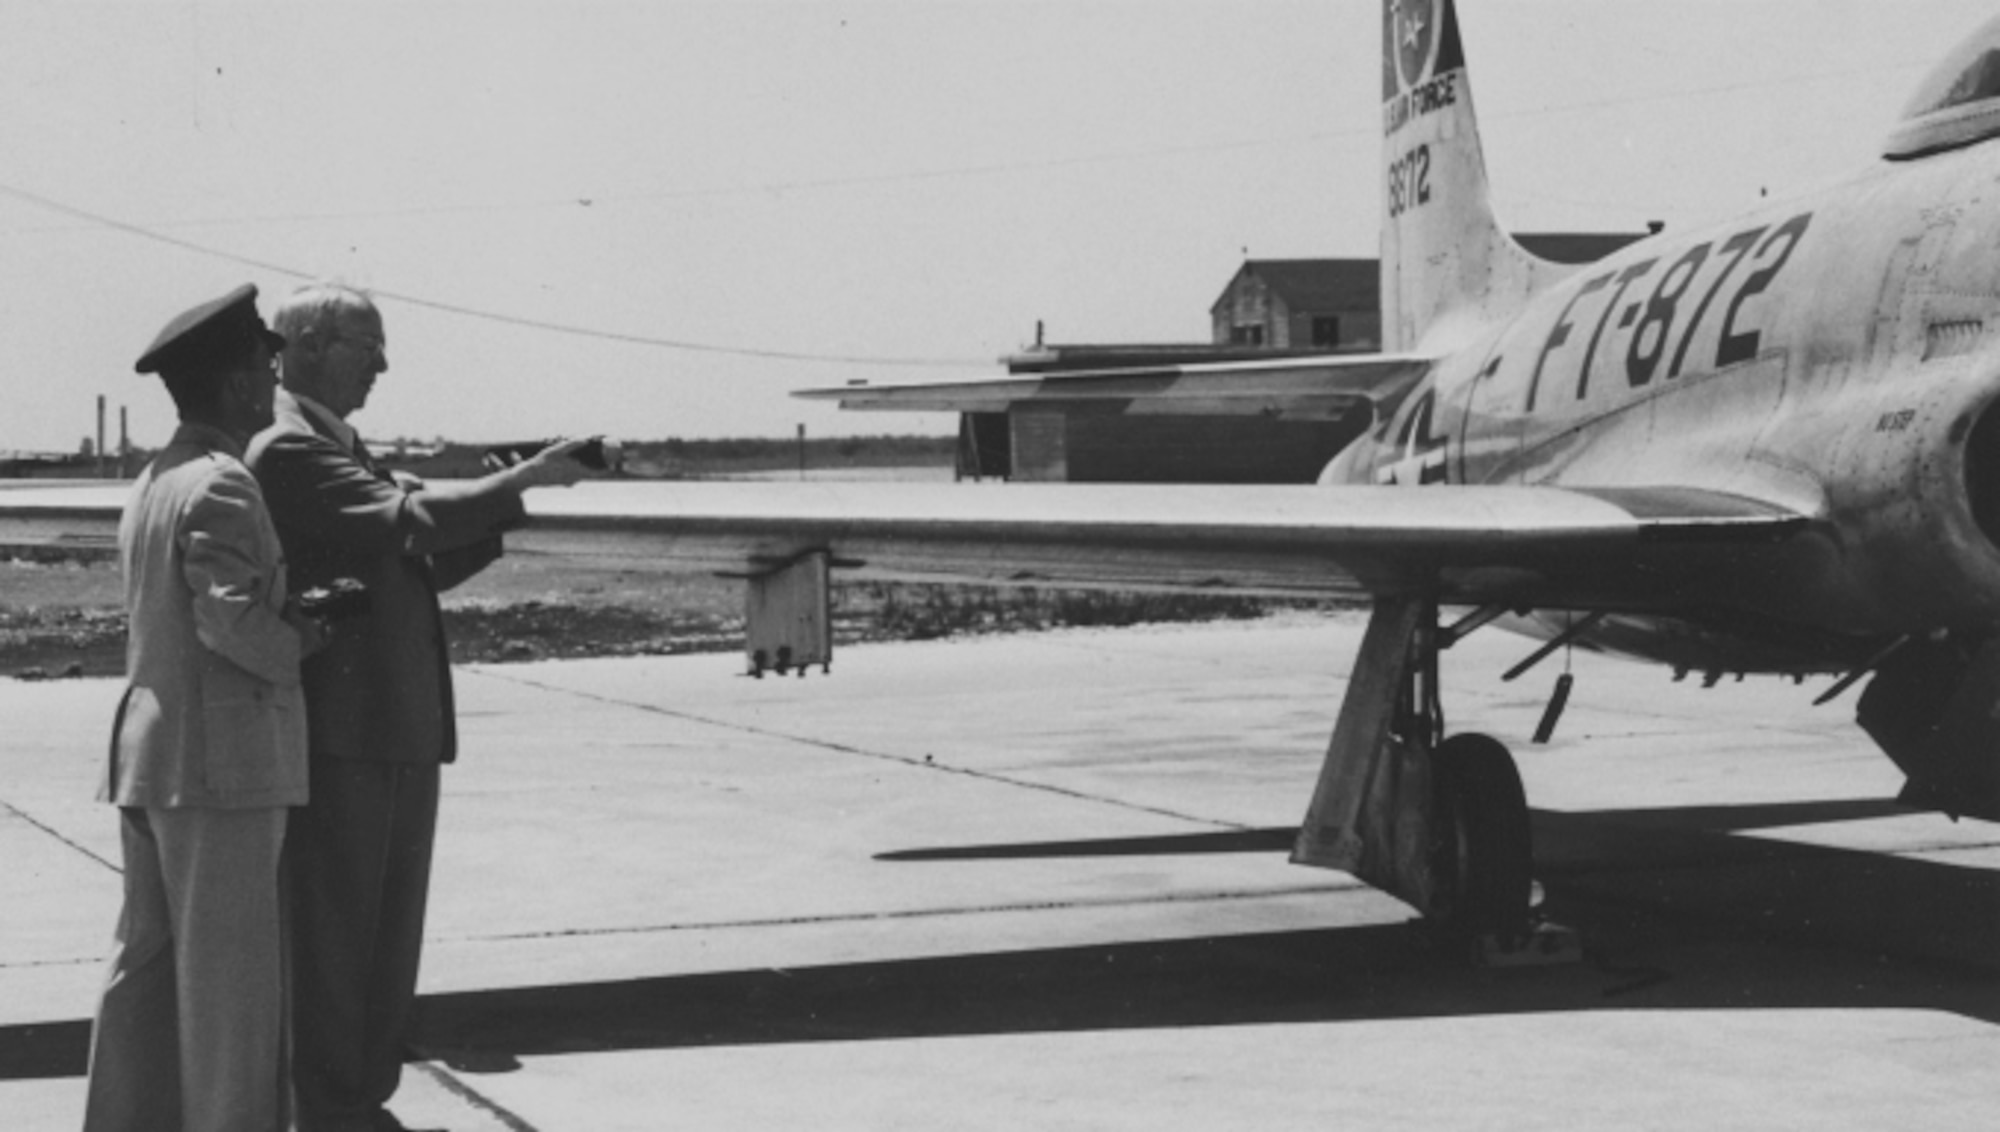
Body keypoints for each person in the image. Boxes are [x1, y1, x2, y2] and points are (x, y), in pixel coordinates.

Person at [246, 281, 589, 1132]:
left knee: (382, 940)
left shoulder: (336, 444)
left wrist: (495, 509)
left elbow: (414, 563)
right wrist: (526, 479)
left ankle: (357, 1097)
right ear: (312, 346)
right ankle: (330, 1105)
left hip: (389, 728)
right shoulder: (289, 448)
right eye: (369, 346)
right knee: (338, 939)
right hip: (347, 736)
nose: (383, 365)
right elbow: (403, 525)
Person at [84, 283, 324, 1132]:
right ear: (235, 385)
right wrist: (303, 637)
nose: (273, 381)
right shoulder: (223, 483)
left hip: (152, 760)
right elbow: (227, 618)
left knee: (145, 973)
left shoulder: (156, 479)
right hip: (221, 770)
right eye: (265, 367)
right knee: (232, 995)